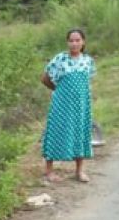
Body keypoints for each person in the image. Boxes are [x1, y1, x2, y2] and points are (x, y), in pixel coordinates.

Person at [40, 28, 96, 183]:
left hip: (81, 104)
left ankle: (79, 171)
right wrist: (58, 91)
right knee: (56, 130)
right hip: (61, 103)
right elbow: (45, 78)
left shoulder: (88, 61)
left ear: (83, 42)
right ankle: (49, 171)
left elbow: (87, 82)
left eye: (77, 40)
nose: (74, 43)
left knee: (81, 132)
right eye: (71, 40)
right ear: (67, 42)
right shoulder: (60, 59)